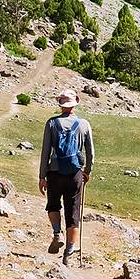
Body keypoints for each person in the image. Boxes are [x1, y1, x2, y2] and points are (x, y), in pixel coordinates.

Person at [38, 89, 94, 264]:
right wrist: (87, 171)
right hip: (75, 173)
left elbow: (45, 151)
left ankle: (57, 233)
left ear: (61, 104)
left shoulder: (51, 123)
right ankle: (69, 251)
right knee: (73, 212)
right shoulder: (84, 124)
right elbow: (90, 152)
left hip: (54, 172)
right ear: (75, 103)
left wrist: (42, 176)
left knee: (53, 205)